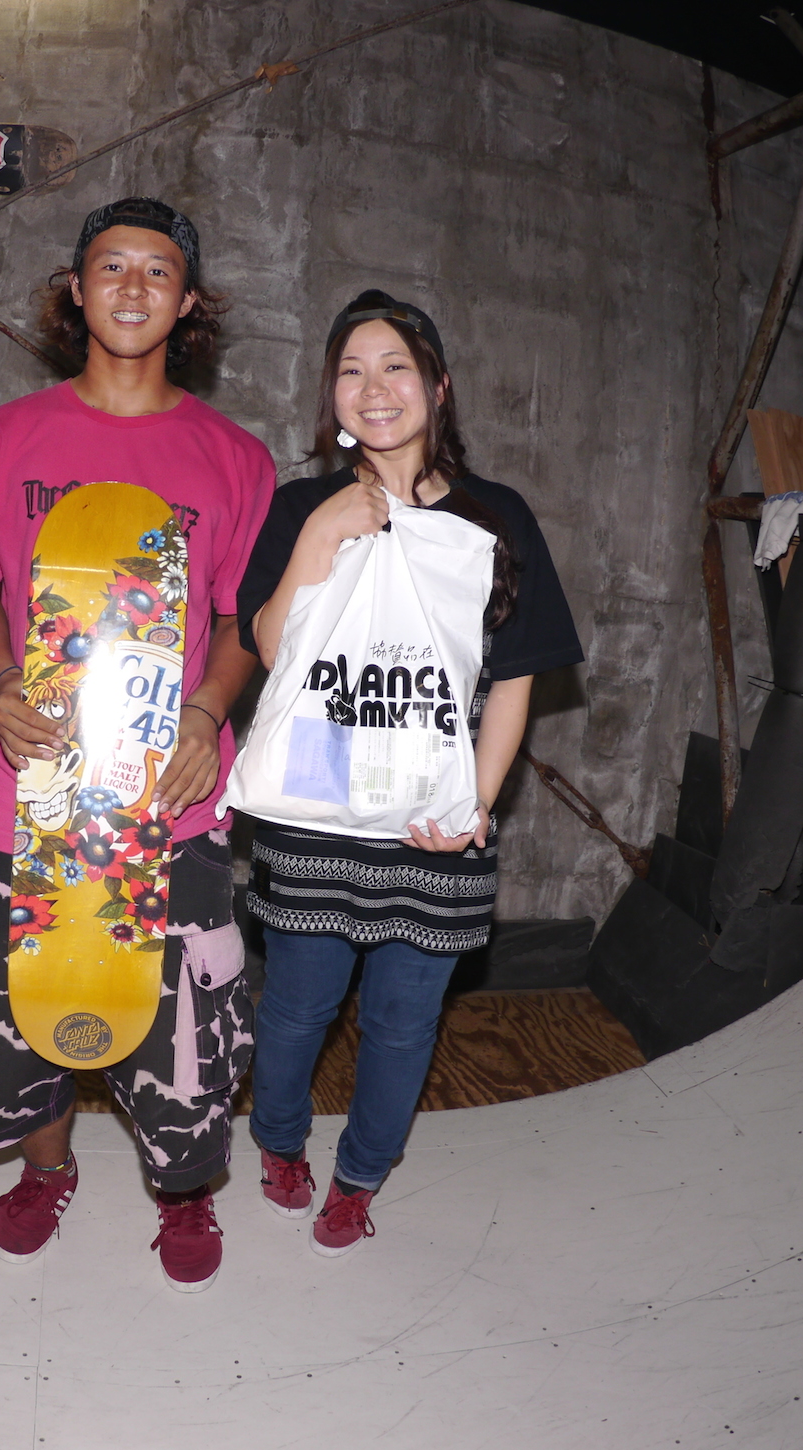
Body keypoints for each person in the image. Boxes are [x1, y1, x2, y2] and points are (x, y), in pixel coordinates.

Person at [0, 197, 272, 1292]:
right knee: (21, 1007)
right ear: (76, 291)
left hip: (169, 796)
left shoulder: (234, 457)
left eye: (158, 270)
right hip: (25, 789)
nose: (133, 287)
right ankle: (48, 1168)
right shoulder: (1, 439)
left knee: (183, 1017)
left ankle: (185, 1187)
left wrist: (206, 712)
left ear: (189, 300)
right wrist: (0, 678)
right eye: (111, 267)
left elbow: (245, 616)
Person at [233, 291, 583, 1255]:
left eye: (395, 366)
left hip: (433, 817)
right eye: (351, 370)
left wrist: (476, 802)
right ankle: (279, 1142)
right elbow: (271, 650)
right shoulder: (301, 506)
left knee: (402, 1019)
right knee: (295, 1007)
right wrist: (322, 535)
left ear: (438, 385)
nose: (374, 387)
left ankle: (360, 1176)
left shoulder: (494, 516)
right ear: (331, 394)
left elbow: (514, 678)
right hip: (315, 808)